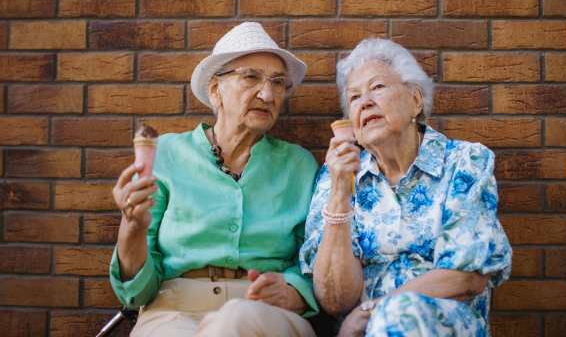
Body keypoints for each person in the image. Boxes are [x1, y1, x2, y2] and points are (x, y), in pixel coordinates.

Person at [110, 22, 319, 337]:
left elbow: (314, 264)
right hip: (173, 312)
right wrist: (132, 226)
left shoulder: (299, 166)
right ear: (214, 90)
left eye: (278, 82)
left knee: (234, 322)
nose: (268, 93)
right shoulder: (166, 154)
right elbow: (136, 293)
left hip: (264, 314)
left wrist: (291, 292)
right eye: (251, 76)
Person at [300, 38, 512, 337]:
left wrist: (373, 310)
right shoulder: (336, 176)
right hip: (363, 331)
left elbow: (467, 276)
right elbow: (336, 300)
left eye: (377, 87)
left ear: (415, 100)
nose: (365, 102)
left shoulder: (464, 162)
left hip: (439, 324)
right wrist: (339, 194)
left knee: (402, 315)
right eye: (354, 97)